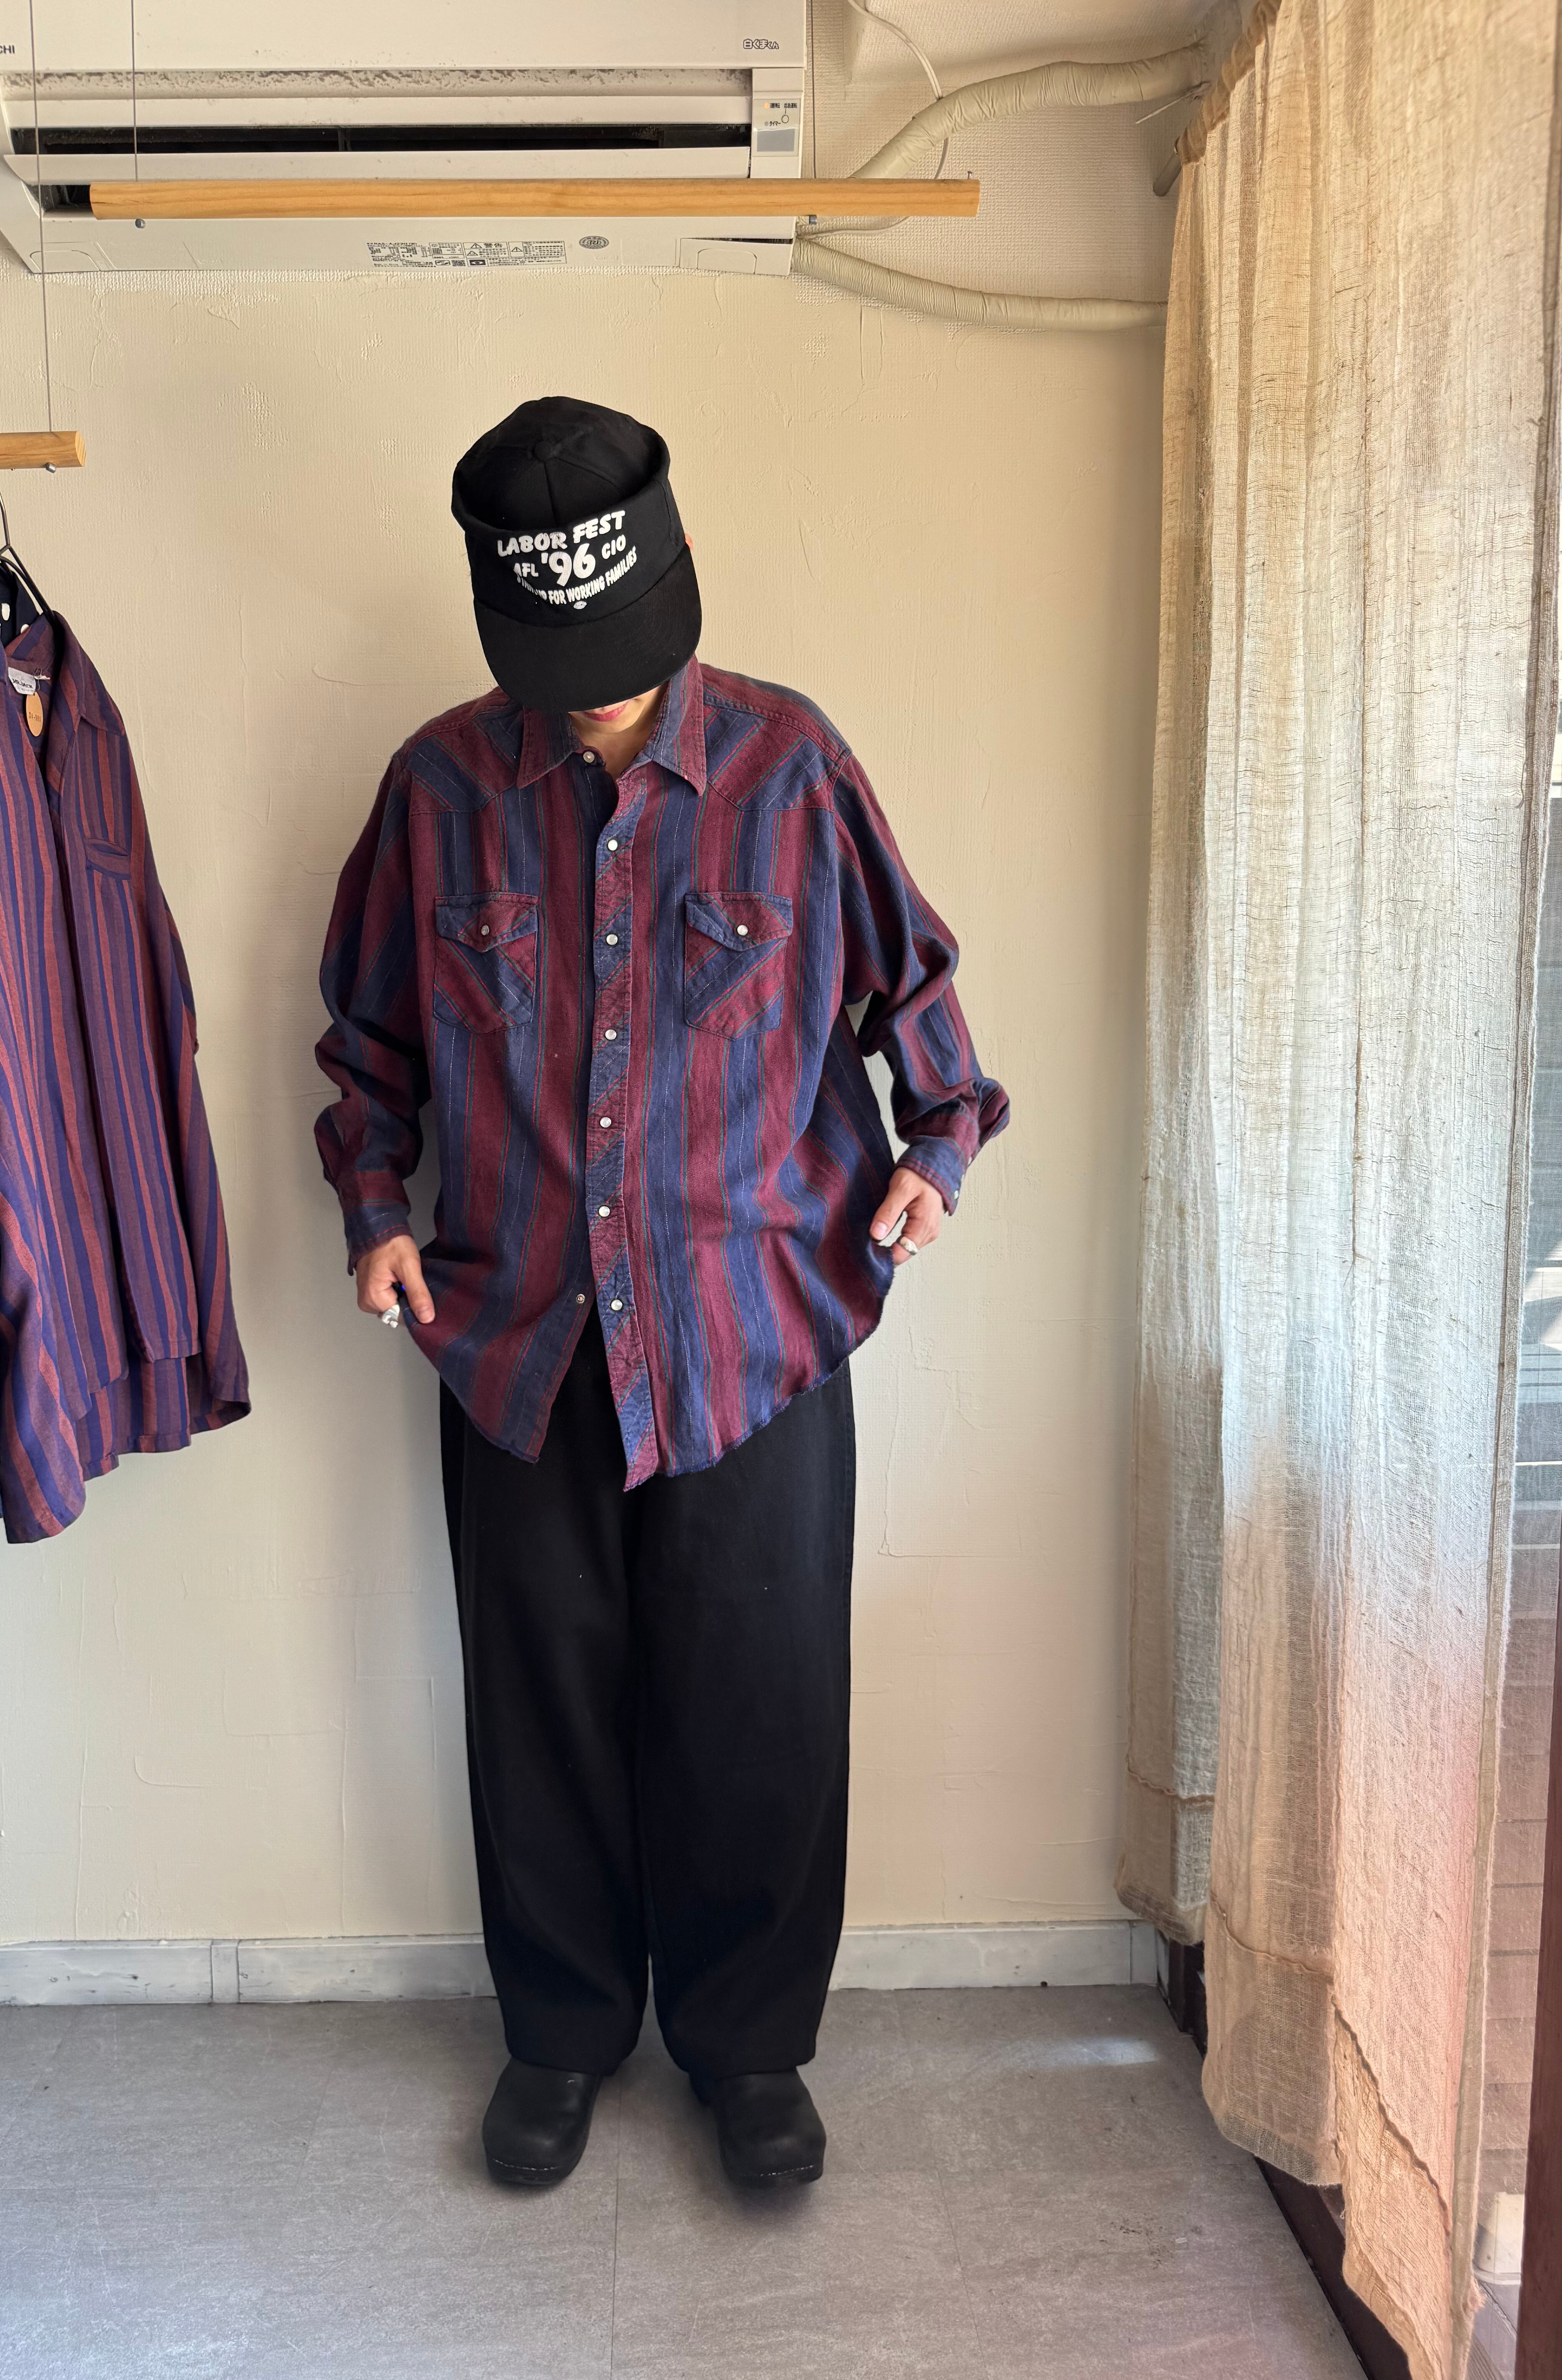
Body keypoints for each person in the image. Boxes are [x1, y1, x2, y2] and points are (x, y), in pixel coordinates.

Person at [314, 395, 1007, 2191]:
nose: (599, 692)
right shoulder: (440, 790)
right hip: (518, 1338)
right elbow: (370, 1038)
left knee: (757, 1703)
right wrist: (375, 1202)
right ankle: (558, 2036)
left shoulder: (791, 767)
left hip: (752, 1332)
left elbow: (916, 994)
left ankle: (749, 2049)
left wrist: (937, 1149)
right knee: (537, 1707)